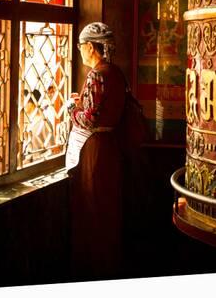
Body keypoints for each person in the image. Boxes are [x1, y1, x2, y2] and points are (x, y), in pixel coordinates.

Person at [66, 22, 126, 280]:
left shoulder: (96, 75)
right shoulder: (116, 72)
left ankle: (94, 270)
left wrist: (71, 108)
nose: (79, 51)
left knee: (93, 208)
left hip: (94, 149)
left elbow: (90, 119)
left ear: (91, 47)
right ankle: (109, 264)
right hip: (112, 146)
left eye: (81, 46)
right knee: (109, 209)